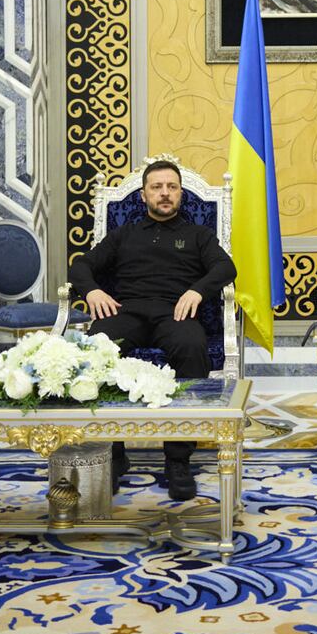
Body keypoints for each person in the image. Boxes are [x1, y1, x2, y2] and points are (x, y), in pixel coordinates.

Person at [68, 160, 237, 501]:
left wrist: (196, 291)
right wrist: (92, 291)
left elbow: (225, 266)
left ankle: (178, 460)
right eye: (157, 187)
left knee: (192, 345)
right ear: (144, 195)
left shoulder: (197, 235)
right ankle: (113, 452)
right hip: (126, 311)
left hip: (174, 313)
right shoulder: (124, 234)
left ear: (181, 194)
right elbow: (81, 265)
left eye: (171, 187)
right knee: (99, 345)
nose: (164, 194)